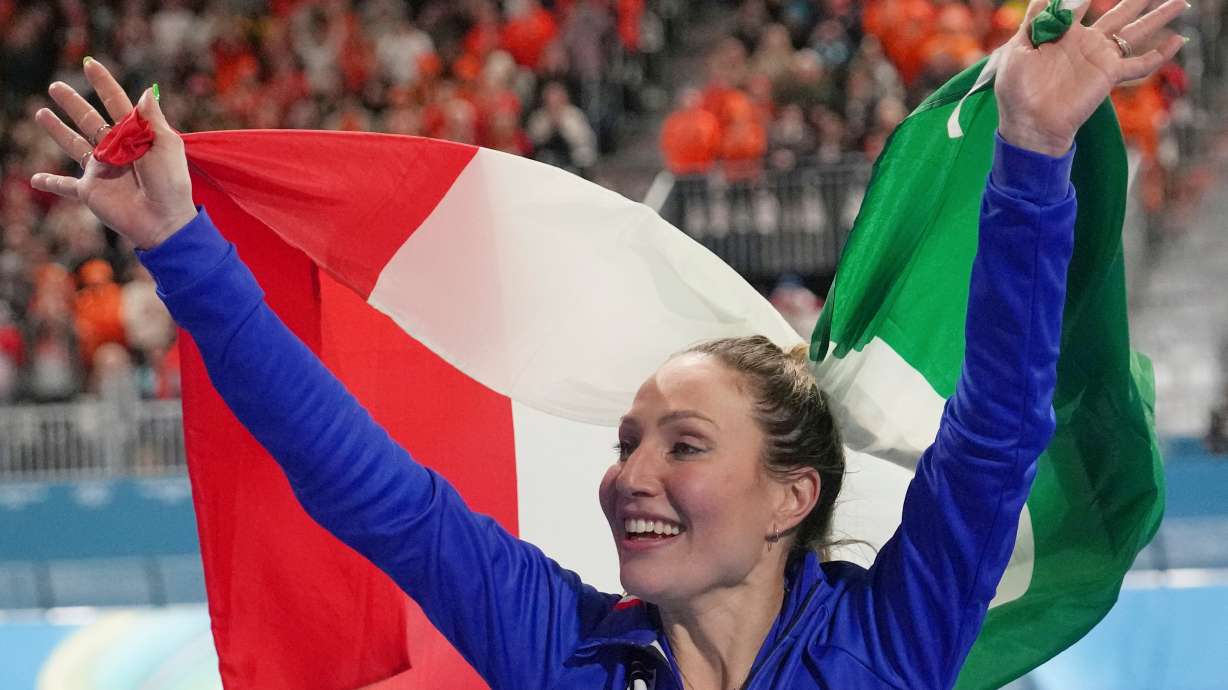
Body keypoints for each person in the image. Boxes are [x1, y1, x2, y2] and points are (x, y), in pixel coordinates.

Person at [29, 0, 1186, 686]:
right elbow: (359, 478)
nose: (627, 474)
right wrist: (179, 243)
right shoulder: (567, 651)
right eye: (630, 441)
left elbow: (994, 428)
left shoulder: (893, 640)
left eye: (682, 445)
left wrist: (1032, 155)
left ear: (792, 495)